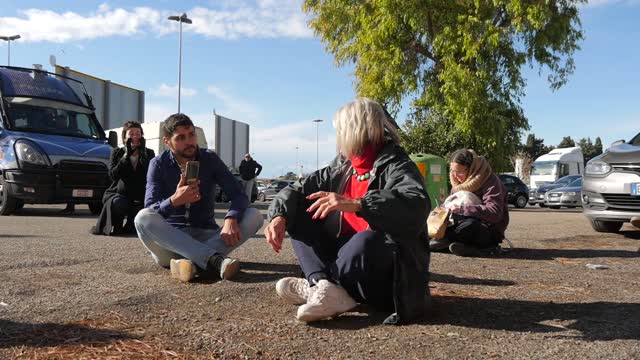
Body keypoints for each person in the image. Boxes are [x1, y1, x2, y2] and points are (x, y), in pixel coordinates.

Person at [264, 98, 430, 324]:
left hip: (376, 270)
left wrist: (359, 204)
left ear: (357, 129)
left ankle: (320, 287)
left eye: (341, 130)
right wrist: (278, 216)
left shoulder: (398, 165)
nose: (338, 137)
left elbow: (416, 205)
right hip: (343, 262)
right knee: (299, 212)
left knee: (368, 240)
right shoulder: (341, 167)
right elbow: (297, 190)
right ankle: (323, 284)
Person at [134, 113, 263, 282]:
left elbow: (238, 194)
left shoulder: (209, 158)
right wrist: (174, 201)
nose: (189, 142)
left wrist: (231, 217)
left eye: (191, 135)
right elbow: (150, 208)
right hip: (170, 242)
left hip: (207, 235)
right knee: (142, 217)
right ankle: (212, 260)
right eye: (181, 137)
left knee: (254, 216)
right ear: (167, 142)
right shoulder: (158, 164)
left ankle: (190, 263)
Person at [429, 149, 509, 256]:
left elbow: (495, 212)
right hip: (460, 224)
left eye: (459, 172)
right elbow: (451, 203)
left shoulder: (491, 181)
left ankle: (487, 248)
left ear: (471, 168)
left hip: (487, 230)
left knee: (470, 226)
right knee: (432, 225)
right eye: (452, 171)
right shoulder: (457, 183)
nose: (455, 176)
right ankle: (460, 246)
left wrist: (463, 209)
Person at [91, 121, 155, 235]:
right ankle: (117, 226)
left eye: (138, 133)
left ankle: (131, 226)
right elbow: (113, 175)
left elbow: (149, 175)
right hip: (120, 193)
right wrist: (126, 157)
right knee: (118, 203)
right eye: (131, 134)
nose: (135, 136)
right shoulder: (117, 152)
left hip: (140, 194)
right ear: (125, 138)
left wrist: (143, 154)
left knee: (134, 225)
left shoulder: (149, 153)